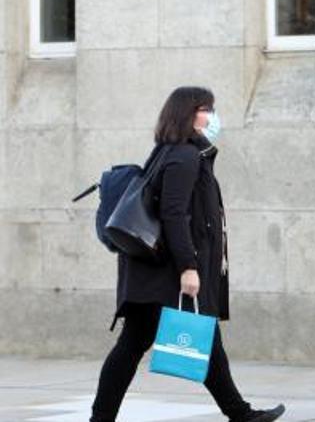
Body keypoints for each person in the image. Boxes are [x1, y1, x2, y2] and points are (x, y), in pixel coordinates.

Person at [91, 86, 285, 422]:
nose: (212, 116)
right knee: (136, 345)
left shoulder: (170, 152)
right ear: (188, 114)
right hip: (165, 274)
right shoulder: (184, 156)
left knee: (157, 343)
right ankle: (240, 414)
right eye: (206, 109)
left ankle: (240, 414)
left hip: (149, 274)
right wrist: (188, 268)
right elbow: (174, 214)